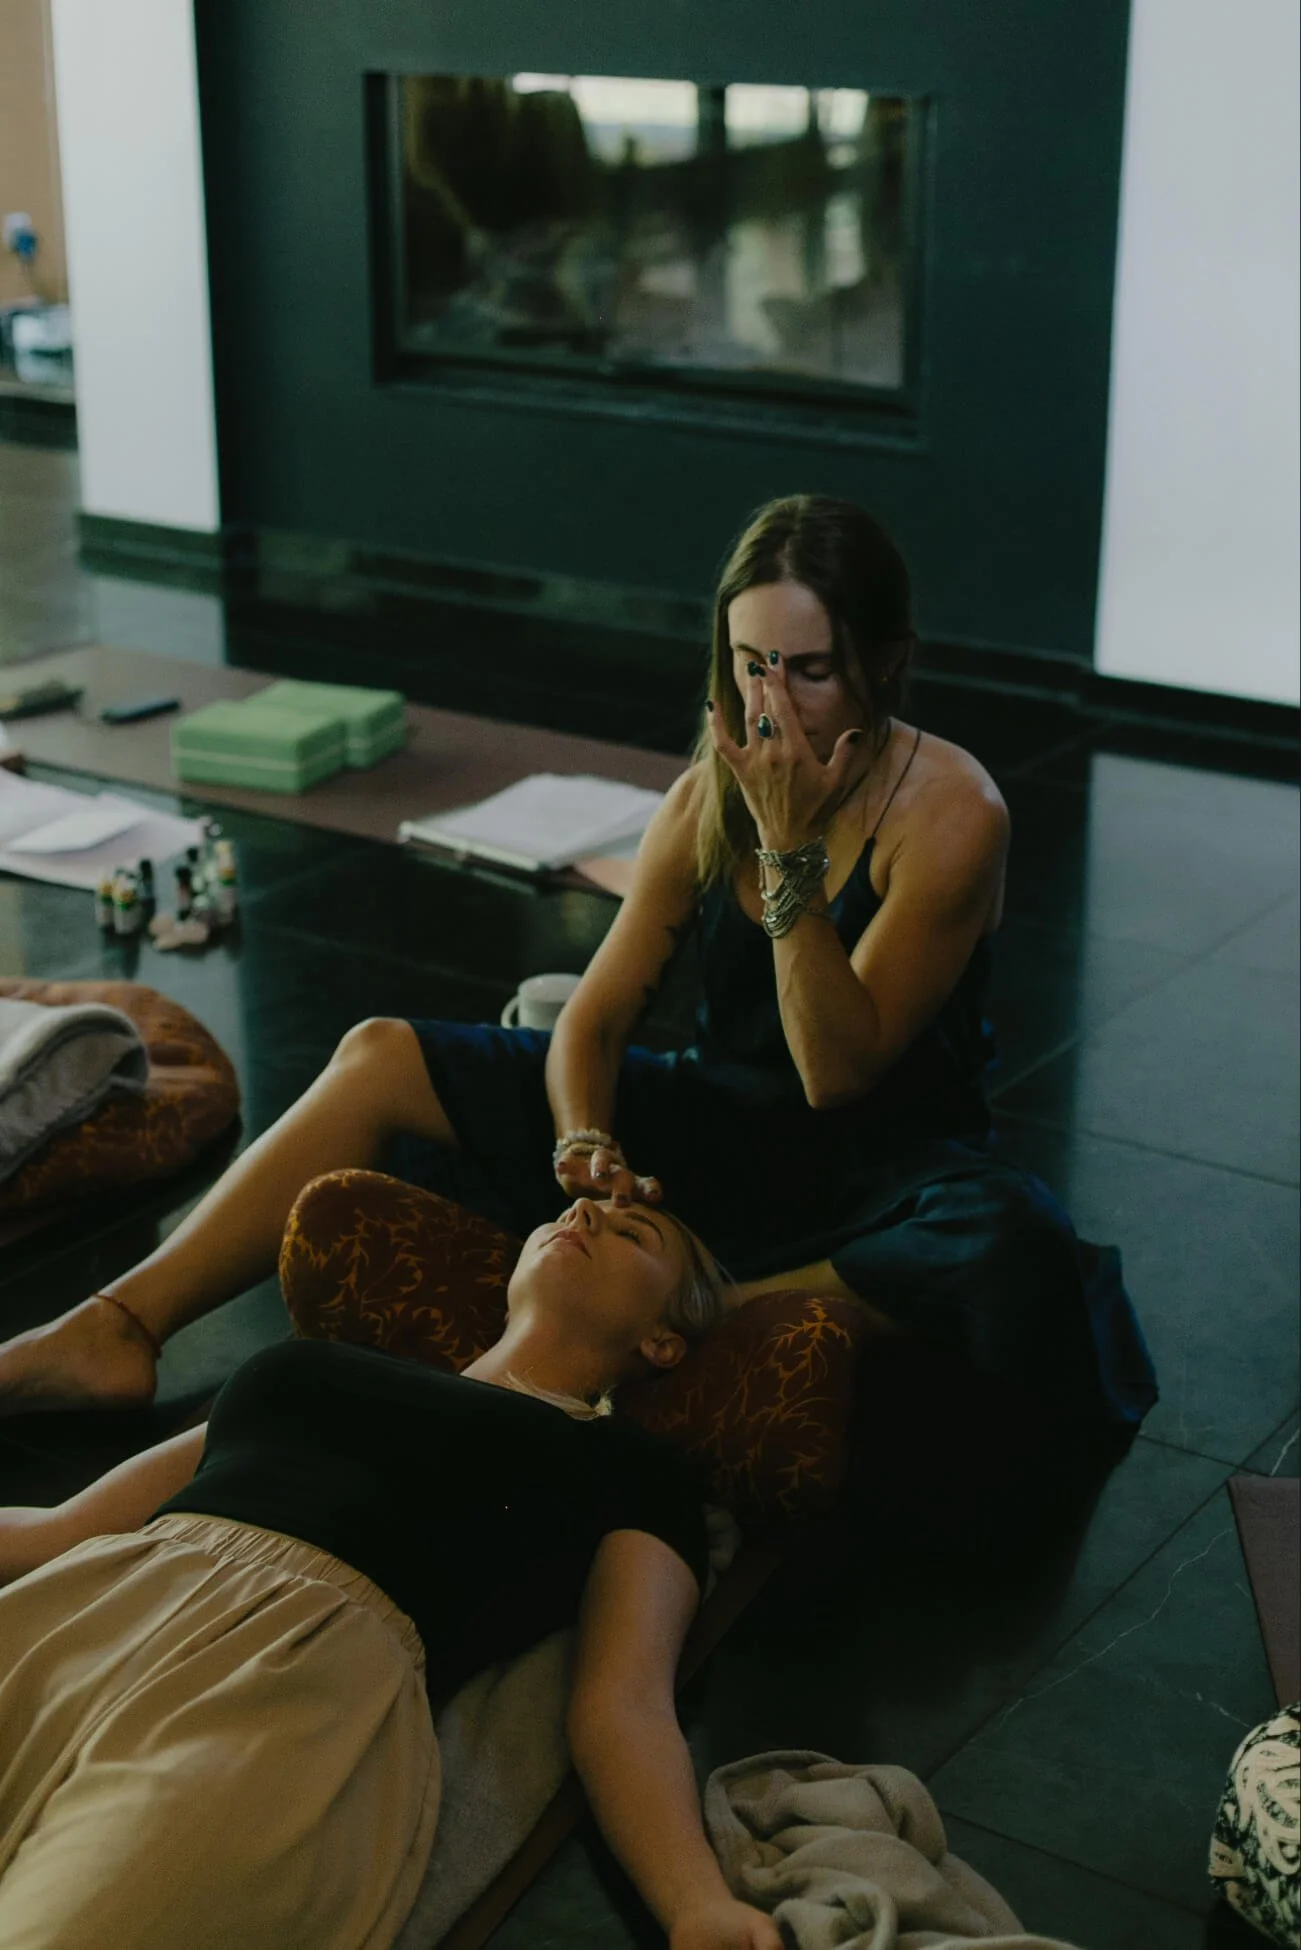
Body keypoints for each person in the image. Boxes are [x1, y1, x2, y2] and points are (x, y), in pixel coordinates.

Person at [0, 493, 1154, 1434]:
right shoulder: (710, 789)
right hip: (712, 1130)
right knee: (380, 1055)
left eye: (809, 670)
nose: (771, 704)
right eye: (750, 664)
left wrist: (791, 849)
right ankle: (118, 1327)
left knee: (1005, 1245)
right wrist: (583, 1140)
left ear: (884, 667)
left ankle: (687, 1316)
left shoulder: (953, 814)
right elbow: (594, 1019)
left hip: (883, 1180)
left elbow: (836, 1075)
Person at [0, 1194, 780, 1950]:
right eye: (576, 1208)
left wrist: (695, 1903)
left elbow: (625, 1703)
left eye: (631, 1232)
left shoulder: (632, 1470)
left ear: (662, 1342)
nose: (583, 1214)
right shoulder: (307, 1368)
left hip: (280, 1691)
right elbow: (62, 1530)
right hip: (93, 1607)